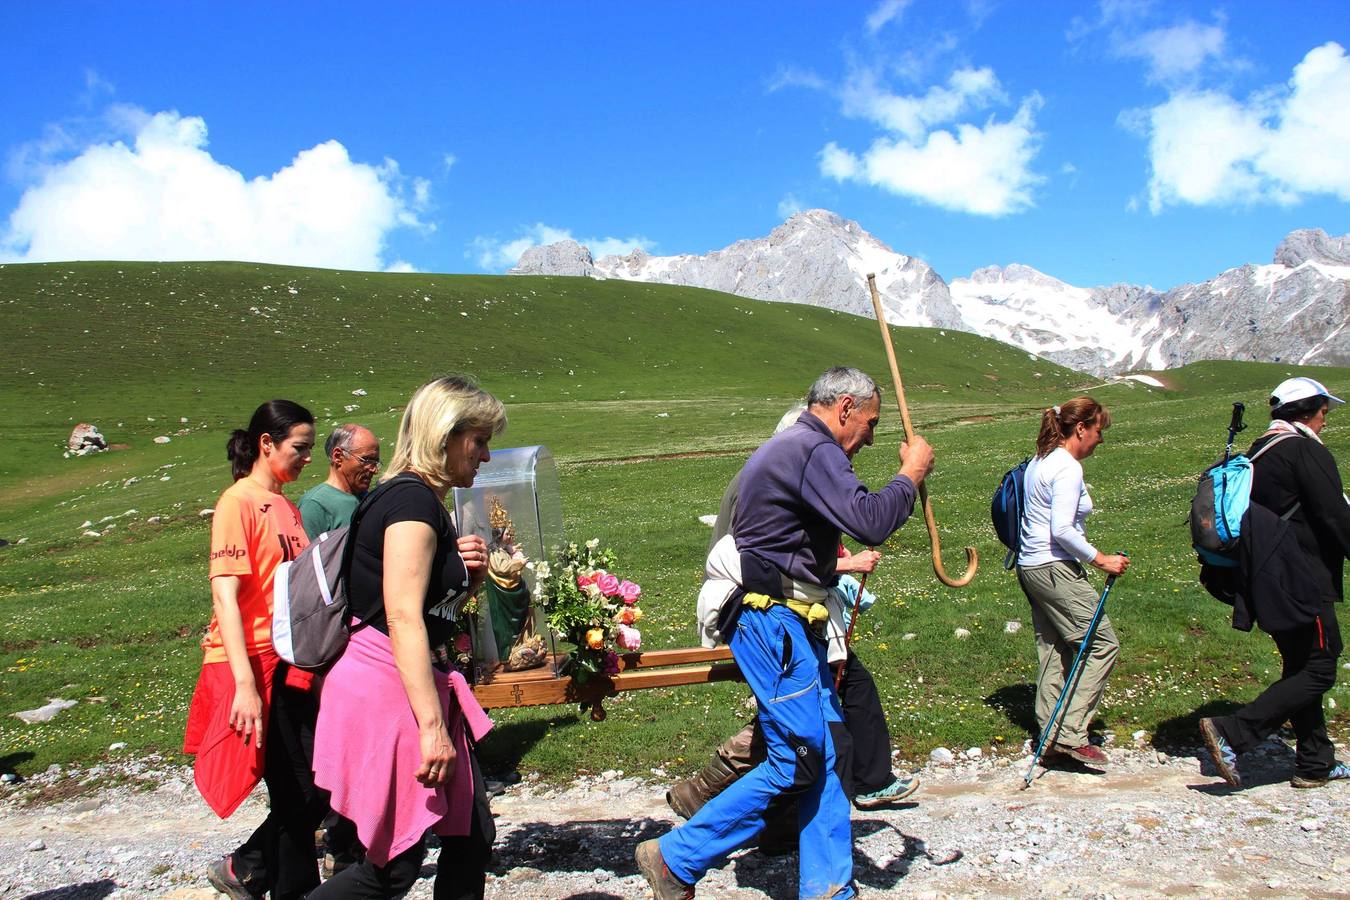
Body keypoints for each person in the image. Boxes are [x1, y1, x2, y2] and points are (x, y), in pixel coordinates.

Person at [639, 367, 934, 900]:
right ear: (845, 407)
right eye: (870, 423)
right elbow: (869, 519)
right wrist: (910, 473)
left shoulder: (797, 446)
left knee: (826, 749)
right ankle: (675, 855)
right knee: (798, 755)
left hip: (787, 619)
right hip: (770, 619)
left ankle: (829, 888)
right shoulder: (812, 448)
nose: (869, 437)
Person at [308, 375, 502, 898]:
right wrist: (432, 728)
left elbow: (424, 607)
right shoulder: (412, 504)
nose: (485, 456)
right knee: (391, 865)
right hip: (389, 684)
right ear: (446, 433)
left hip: (404, 677)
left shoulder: (414, 499)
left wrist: (468, 580)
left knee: (469, 831)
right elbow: (402, 616)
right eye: (479, 441)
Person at [184, 400, 323, 900]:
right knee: (299, 790)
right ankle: (276, 880)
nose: (309, 458)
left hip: (288, 660)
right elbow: (226, 596)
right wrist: (245, 686)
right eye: (300, 448)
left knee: (310, 788)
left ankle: (249, 868)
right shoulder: (237, 502)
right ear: (267, 444)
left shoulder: (285, 505)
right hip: (251, 663)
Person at [1200, 377, 1350, 789]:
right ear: (1309, 410)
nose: (1325, 421)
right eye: (1324, 412)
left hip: (1268, 576)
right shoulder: (1302, 450)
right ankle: (1233, 731)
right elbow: (1334, 515)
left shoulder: (1260, 452)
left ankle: (1315, 762)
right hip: (1304, 576)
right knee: (1320, 667)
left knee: (1300, 664)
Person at [1015, 397, 1129, 768]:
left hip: (1030, 565)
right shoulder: (1066, 467)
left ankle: (1049, 737)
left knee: (1056, 648)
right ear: (1081, 428)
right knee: (1101, 643)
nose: (1100, 440)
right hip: (1054, 566)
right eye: (1098, 431)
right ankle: (1070, 732)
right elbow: (1061, 528)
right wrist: (1101, 560)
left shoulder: (1040, 461)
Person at [298, 424, 381, 539]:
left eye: (375, 462)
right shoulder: (314, 505)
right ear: (338, 456)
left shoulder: (369, 498)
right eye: (366, 460)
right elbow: (306, 555)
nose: (374, 470)